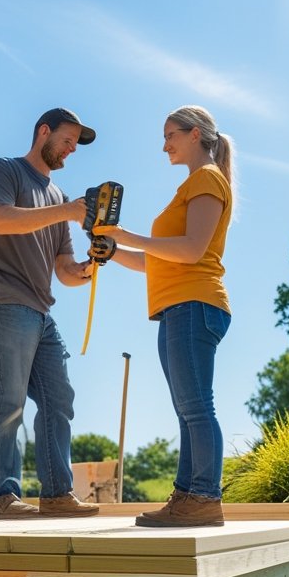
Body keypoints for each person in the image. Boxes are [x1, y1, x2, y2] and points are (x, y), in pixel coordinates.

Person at [92, 104, 233, 527]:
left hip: (195, 303)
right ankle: (188, 496)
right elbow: (158, 259)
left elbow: (191, 250)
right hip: (175, 308)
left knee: (196, 407)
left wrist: (128, 234)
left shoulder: (208, 179)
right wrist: (115, 251)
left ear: (194, 134)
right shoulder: (191, 185)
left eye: (170, 135)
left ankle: (205, 497)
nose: (164, 144)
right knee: (186, 408)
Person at [0, 107, 102, 519]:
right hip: (4, 301)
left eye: (74, 145)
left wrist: (87, 268)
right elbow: (1, 221)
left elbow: (64, 270)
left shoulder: (60, 198)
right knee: (8, 399)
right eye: (67, 140)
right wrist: (67, 211)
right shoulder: (5, 171)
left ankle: (57, 494)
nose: (70, 150)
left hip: (41, 310)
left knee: (59, 397)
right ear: (43, 132)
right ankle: (1, 495)